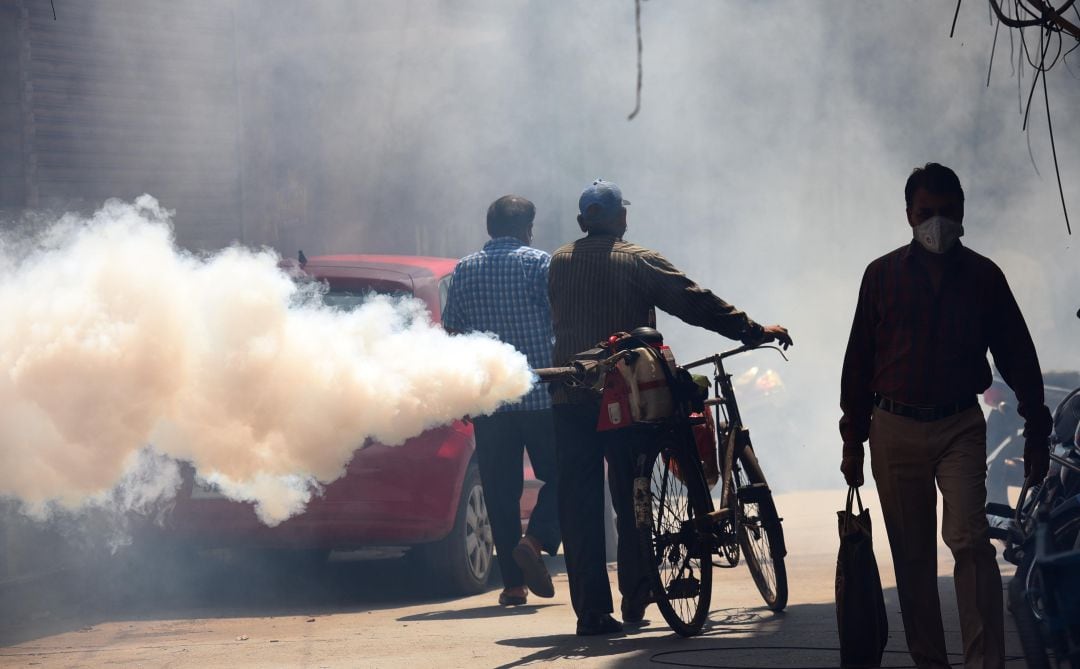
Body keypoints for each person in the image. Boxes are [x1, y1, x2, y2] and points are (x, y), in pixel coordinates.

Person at [547, 178, 792, 635]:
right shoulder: (637, 259)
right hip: (627, 395)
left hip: (569, 395)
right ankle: (639, 593)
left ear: (583, 221)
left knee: (579, 504)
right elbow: (694, 301)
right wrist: (751, 330)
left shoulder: (559, 261)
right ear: (622, 217)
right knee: (632, 492)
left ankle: (593, 614)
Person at [839, 163, 1053, 669]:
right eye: (925, 212)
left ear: (962, 213)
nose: (937, 223)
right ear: (909, 216)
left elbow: (1017, 354)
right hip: (892, 427)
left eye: (946, 212)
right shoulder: (881, 275)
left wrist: (1037, 429)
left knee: (971, 541)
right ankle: (930, 661)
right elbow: (858, 363)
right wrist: (853, 438)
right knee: (912, 560)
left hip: (959, 423)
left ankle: (984, 662)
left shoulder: (984, 277)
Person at [442, 195, 561, 606]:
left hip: (491, 403)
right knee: (563, 474)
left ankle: (512, 585)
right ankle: (537, 539)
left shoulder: (465, 269)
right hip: (541, 396)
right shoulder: (538, 264)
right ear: (526, 228)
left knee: (500, 492)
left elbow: (453, 334)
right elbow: (559, 320)